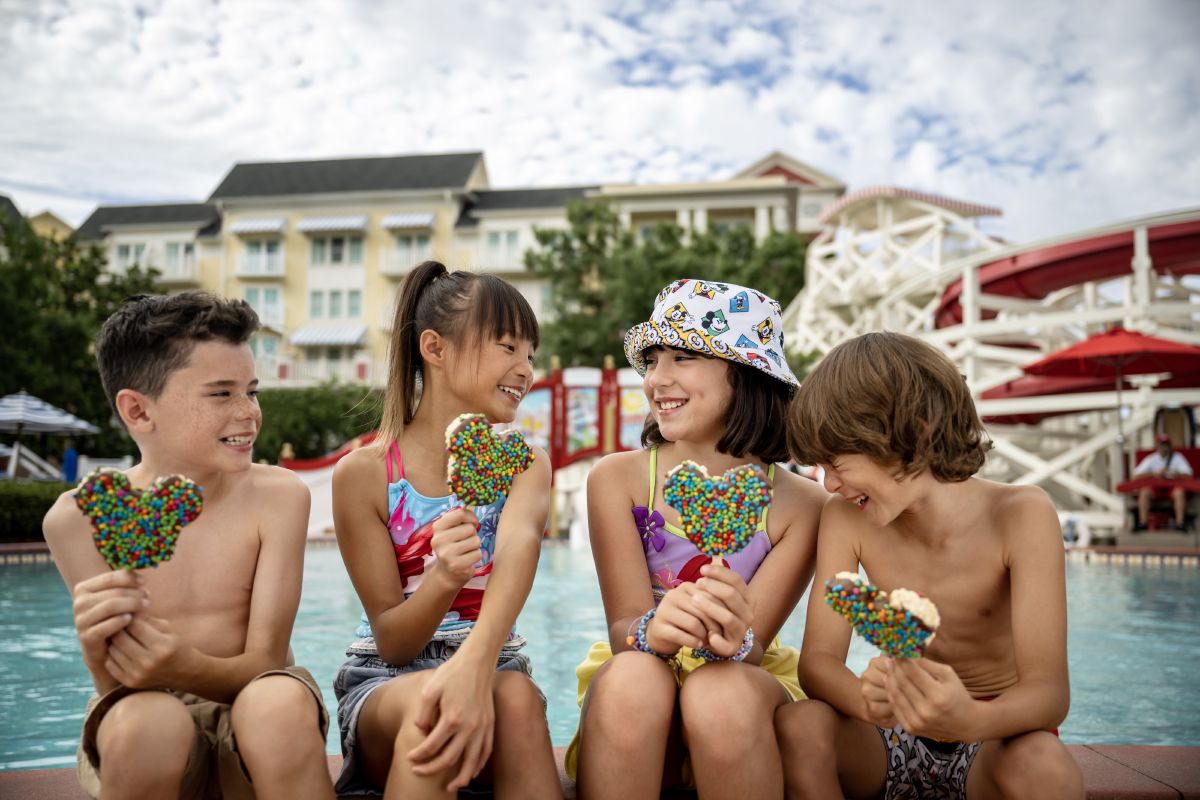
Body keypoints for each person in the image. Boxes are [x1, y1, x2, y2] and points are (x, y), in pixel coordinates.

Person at [42, 292, 333, 800]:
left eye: (252, 391)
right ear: (137, 410)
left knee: (277, 706)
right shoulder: (82, 519)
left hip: (255, 701)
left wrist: (184, 666)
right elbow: (116, 686)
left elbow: (266, 660)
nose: (249, 412)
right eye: (221, 394)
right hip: (141, 706)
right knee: (146, 726)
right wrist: (96, 653)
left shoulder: (278, 497)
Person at [777, 331, 1083, 800]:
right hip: (888, 734)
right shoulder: (846, 518)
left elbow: (1049, 694)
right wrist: (867, 699)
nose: (829, 484)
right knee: (801, 724)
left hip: (989, 735)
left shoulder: (1021, 515)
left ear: (915, 436)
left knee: (1044, 767)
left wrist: (971, 719)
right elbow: (818, 664)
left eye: (836, 463)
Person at [568, 279, 826, 799]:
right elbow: (623, 629)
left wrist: (733, 628)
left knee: (720, 690)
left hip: (739, 690)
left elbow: (752, 649)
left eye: (682, 357)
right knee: (633, 679)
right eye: (652, 359)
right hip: (644, 684)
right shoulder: (617, 480)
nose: (656, 378)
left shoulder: (804, 505)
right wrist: (654, 631)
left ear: (747, 373)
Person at [331, 260, 560, 798]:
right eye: (508, 347)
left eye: (531, 354)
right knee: (433, 707)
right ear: (434, 349)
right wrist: (443, 578)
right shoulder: (365, 475)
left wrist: (475, 668)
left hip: (494, 661)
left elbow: (521, 545)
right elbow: (392, 642)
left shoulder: (524, 463)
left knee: (521, 699)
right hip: (386, 682)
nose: (526, 369)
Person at [1134, 433, 1193, 531]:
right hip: (1156, 488)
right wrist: (1154, 474)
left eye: (1166, 444)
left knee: (1179, 493)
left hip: (1172, 487)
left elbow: (1189, 475)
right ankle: (1143, 523)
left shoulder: (1178, 457)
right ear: (1157, 446)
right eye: (1162, 444)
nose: (1164, 447)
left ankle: (1180, 523)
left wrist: (1174, 474)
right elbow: (1136, 475)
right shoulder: (1151, 459)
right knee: (1144, 492)